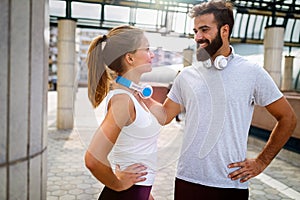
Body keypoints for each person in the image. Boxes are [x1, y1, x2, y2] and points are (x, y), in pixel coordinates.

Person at [143, 1, 297, 199]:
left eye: (204, 29)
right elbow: (164, 117)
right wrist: (138, 94)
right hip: (187, 180)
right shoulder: (186, 76)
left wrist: (261, 162)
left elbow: (288, 118)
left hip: (230, 184)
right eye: (196, 30)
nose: (198, 37)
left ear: (225, 30)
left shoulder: (252, 72)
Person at [84, 25, 160, 200]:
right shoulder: (123, 101)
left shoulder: (132, 95)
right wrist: (119, 184)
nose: (152, 54)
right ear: (130, 58)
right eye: (147, 49)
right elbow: (93, 159)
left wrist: (147, 195)